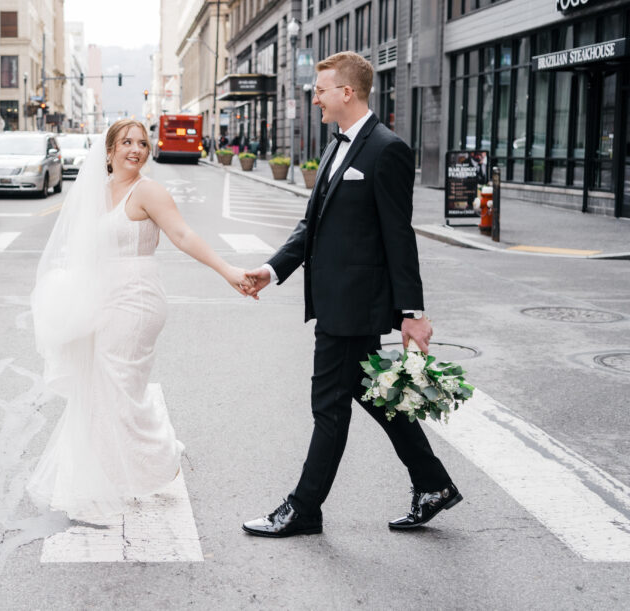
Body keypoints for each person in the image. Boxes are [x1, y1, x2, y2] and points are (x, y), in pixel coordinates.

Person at [240, 51, 461, 537]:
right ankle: (433, 484)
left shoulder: (387, 150)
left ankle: (303, 508)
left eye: (320, 89)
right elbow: (311, 226)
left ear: (347, 92)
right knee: (372, 393)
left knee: (329, 407)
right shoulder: (338, 146)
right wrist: (271, 270)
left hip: (355, 306)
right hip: (338, 301)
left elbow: (398, 237)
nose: (313, 96)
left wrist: (412, 313)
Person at [28, 118, 251, 520]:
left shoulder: (148, 192)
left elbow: (183, 236)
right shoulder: (95, 193)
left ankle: (125, 473)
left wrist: (229, 271)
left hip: (137, 299)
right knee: (104, 387)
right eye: (127, 142)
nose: (136, 149)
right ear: (109, 151)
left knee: (116, 386)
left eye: (143, 143)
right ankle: (144, 460)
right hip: (100, 299)